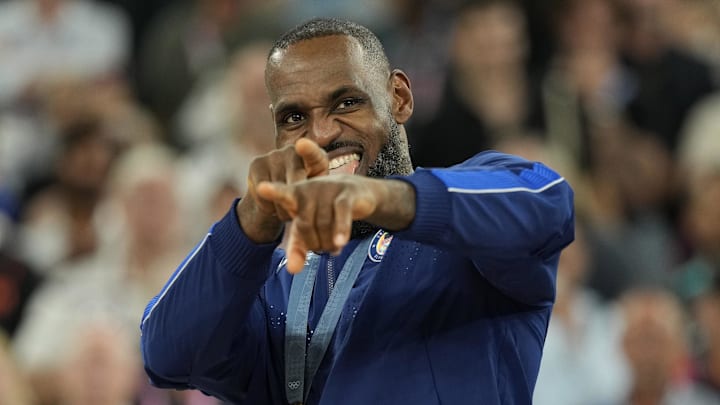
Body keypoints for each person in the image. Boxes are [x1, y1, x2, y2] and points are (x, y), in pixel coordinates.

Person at [140, 18, 575, 404]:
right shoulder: (272, 280)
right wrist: (250, 222)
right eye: (294, 118)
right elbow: (167, 355)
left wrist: (378, 197)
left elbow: (547, 205)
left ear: (400, 98)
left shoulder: (469, 236)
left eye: (347, 103)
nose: (323, 133)